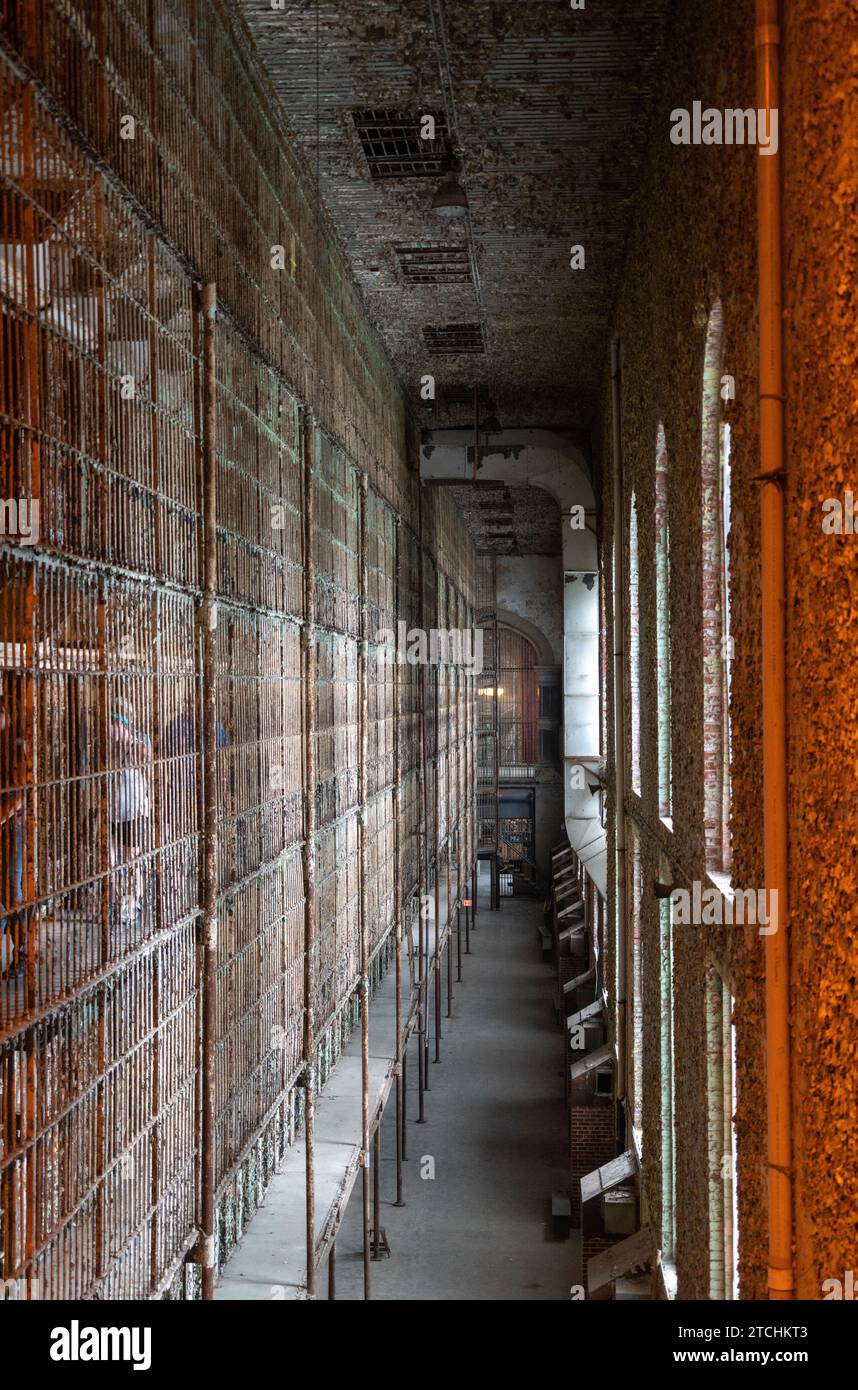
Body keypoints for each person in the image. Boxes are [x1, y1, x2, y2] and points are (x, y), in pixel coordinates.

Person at [109, 696, 152, 930]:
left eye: (113, 723)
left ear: (122, 724)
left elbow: (150, 768)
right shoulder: (107, 746)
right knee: (111, 860)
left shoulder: (137, 744)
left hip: (134, 812)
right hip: (113, 812)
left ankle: (134, 901)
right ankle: (117, 902)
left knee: (133, 858)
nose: (109, 728)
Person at [0, 684, 26, 976]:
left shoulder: (16, 745)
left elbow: (21, 796)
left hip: (14, 826)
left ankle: (21, 954)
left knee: (13, 890)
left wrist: (2, 817)